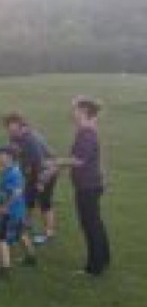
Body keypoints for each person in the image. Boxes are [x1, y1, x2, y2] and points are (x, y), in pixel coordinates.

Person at [49, 97, 110, 276]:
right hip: (90, 185)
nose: (72, 112)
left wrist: (56, 162)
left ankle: (94, 268)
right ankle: (103, 259)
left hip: (87, 186)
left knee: (90, 225)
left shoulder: (86, 133)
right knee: (95, 223)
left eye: (75, 109)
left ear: (83, 111)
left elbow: (79, 160)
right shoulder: (88, 131)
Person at [3, 113, 58, 243]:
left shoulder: (30, 139)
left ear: (20, 125)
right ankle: (26, 224)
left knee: (44, 202)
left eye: (12, 127)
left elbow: (39, 162)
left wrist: (40, 182)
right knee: (28, 198)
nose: (10, 131)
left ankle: (49, 233)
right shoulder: (14, 137)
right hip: (32, 170)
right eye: (8, 128)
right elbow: (15, 153)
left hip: (47, 171)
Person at [0, 146, 37, 278]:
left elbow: (17, 192)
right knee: (21, 234)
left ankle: (5, 269)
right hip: (17, 211)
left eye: (1, 154)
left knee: (2, 239)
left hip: (11, 212)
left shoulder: (13, 173)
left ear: (9, 157)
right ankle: (31, 257)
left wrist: (5, 206)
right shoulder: (11, 170)